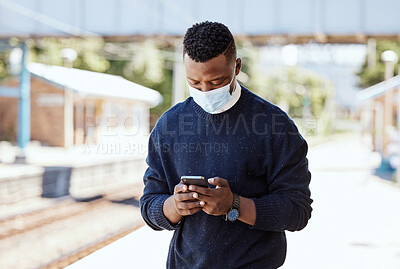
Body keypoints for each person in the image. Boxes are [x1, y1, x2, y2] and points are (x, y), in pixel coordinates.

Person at [140, 21, 313, 269]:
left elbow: (298, 211)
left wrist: (234, 205)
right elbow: (149, 206)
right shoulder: (169, 125)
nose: (205, 91)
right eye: (194, 82)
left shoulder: (275, 125)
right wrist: (174, 206)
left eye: (216, 82)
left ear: (237, 67)